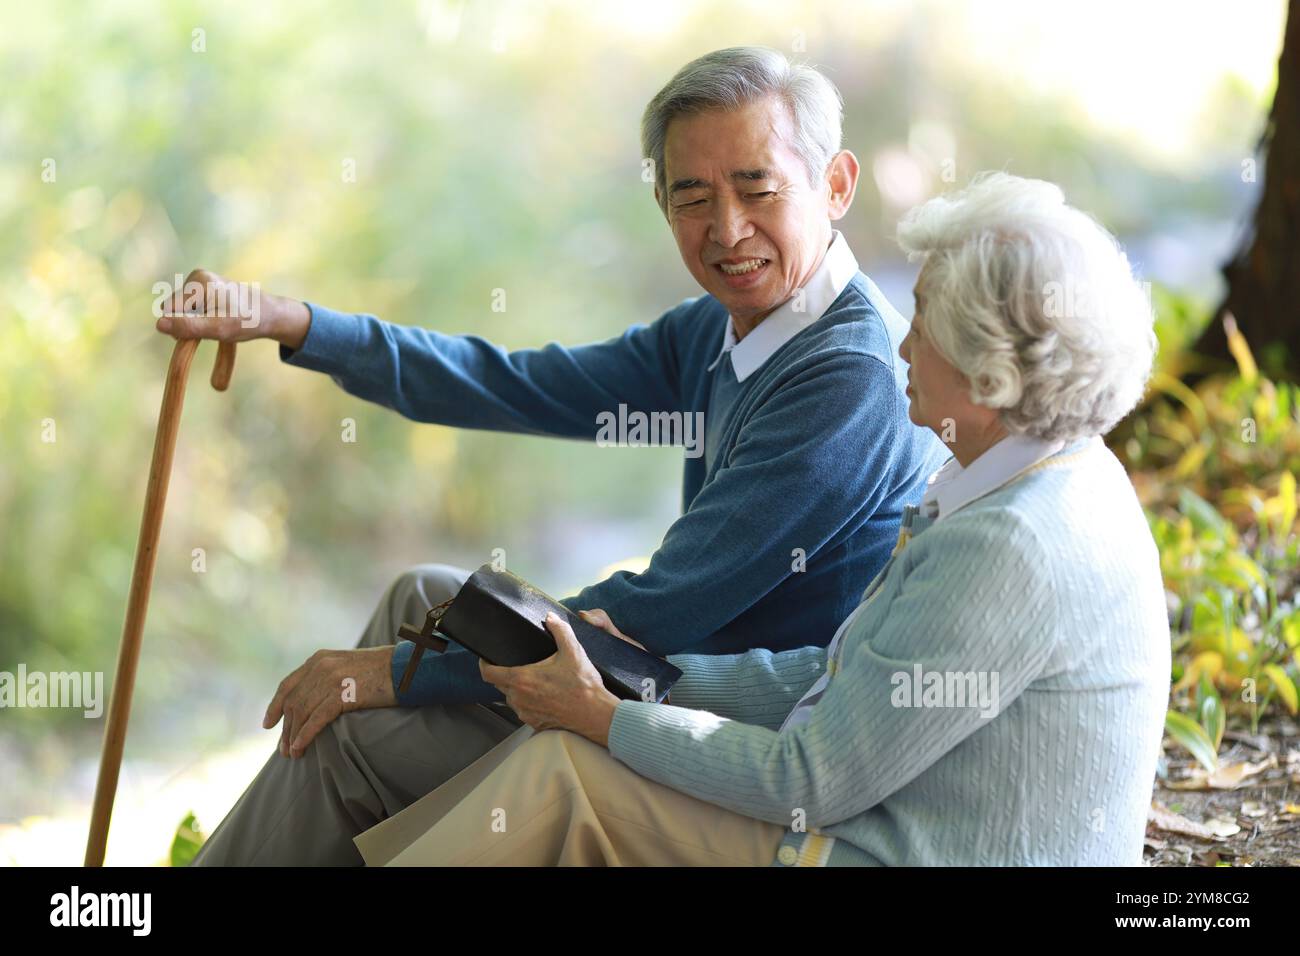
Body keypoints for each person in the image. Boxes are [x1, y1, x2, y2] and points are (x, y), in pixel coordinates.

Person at [162, 47, 946, 865]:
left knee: (354, 732)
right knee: (417, 597)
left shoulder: (846, 376)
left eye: (758, 188)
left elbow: (648, 612)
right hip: (656, 685)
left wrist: (389, 675)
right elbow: (510, 384)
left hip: (726, 739)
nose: (727, 229)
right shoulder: (721, 328)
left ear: (836, 185)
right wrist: (292, 322)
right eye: (693, 197)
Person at [356, 171, 1172, 867]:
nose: (903, 346)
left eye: (922, 322)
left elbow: (809, 780)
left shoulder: (1011, 545)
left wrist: (605, 715)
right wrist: (646, 670)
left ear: (988, 374)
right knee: (565, 753)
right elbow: (847, 677)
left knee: (568, 770)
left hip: (887, 845)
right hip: (898, 820)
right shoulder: (1041, 474)